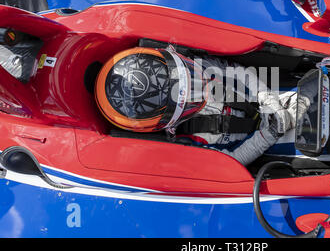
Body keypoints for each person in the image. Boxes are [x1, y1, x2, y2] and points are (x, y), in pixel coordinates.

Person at [95, 46, 302, 166]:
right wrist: (268, 135)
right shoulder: (184, 146)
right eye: (188, 97)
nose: (198, 88)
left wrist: (265, 96)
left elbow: (238, 72)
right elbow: (231, 163)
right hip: (266, 145)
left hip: (266, 98)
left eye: (190, 77)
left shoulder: (196, 66)